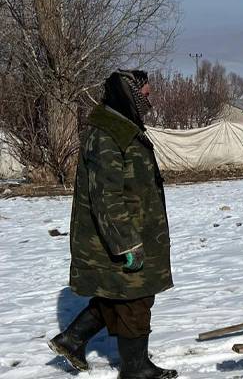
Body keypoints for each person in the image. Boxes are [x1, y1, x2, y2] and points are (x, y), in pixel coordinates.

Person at [49, 70, 177, 379]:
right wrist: (126, 243)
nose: (150, 99)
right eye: (145, 94)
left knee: (117, 291)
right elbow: (106, 195)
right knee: (135, 296)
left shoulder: (122, 126)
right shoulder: (108, 133)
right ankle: (135, 369)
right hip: (115, 234)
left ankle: (73, 339)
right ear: (129, 94)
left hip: (128, 229)